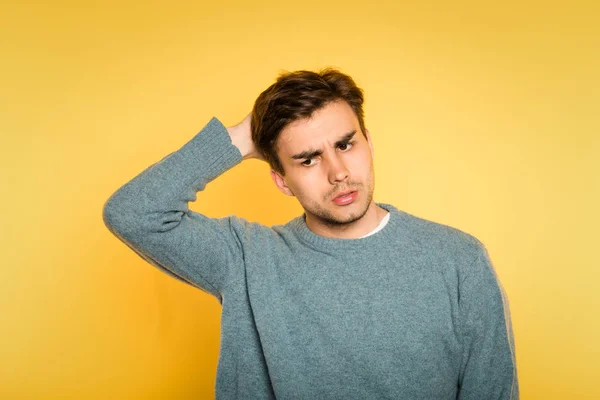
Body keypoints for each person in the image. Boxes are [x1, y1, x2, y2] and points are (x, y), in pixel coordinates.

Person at [102, 67, 519, 399]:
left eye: (345, 144)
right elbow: (133, 213)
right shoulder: (247, 258)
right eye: (307, 159)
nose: (338, 173)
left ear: (368, 143)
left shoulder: (458, 258)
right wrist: (244, 136)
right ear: (281, 180)